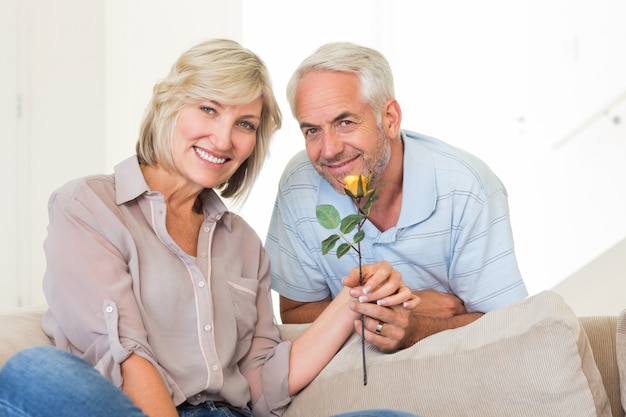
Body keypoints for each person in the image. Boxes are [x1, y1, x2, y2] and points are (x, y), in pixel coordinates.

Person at [0, 39, 418, 417]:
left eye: (245, 125)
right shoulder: (89, 206)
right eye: (208, 109)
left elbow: (261, 379)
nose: (222, 139)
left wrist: (353, 298)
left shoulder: (243, 243)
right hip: (134, 410)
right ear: (169, 106)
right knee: (34, 371)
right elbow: (125, 355)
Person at [265, 41, 529, 353]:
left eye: (345, 122)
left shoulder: (468, 187)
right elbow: (295, 313)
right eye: (312, 131)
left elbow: (511, 326)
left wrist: (416, 328)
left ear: (390, 118)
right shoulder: (299, 183)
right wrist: (399, 310)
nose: (329, 150)